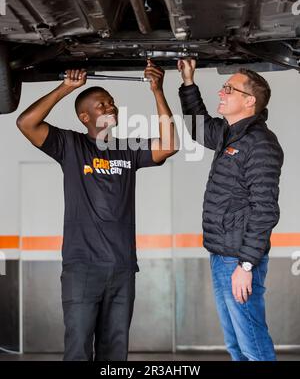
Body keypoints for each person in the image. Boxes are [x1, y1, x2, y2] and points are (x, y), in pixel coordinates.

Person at [16, 60, 178, 361]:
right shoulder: (71, 146)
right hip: (83, 269)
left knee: (115, 353)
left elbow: (169, 144)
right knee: (78, 350)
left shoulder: (127, 149)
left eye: (112, 103)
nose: (111, 108)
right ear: (84, 116)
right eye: (102, 104)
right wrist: (66, 87)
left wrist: (158, 90)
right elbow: (26, 123)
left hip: (122, 268)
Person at [178, 59, 283, 361]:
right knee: (236, 344)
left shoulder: (259, 144)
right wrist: (188, 82)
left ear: (249, 101)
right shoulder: (231, 134)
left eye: (229, 89)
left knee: (252, 344)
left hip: (238, 259)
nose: (221, 93)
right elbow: (198, 127)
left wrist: (246, 266)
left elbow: (265, 210)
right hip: (223, 255)